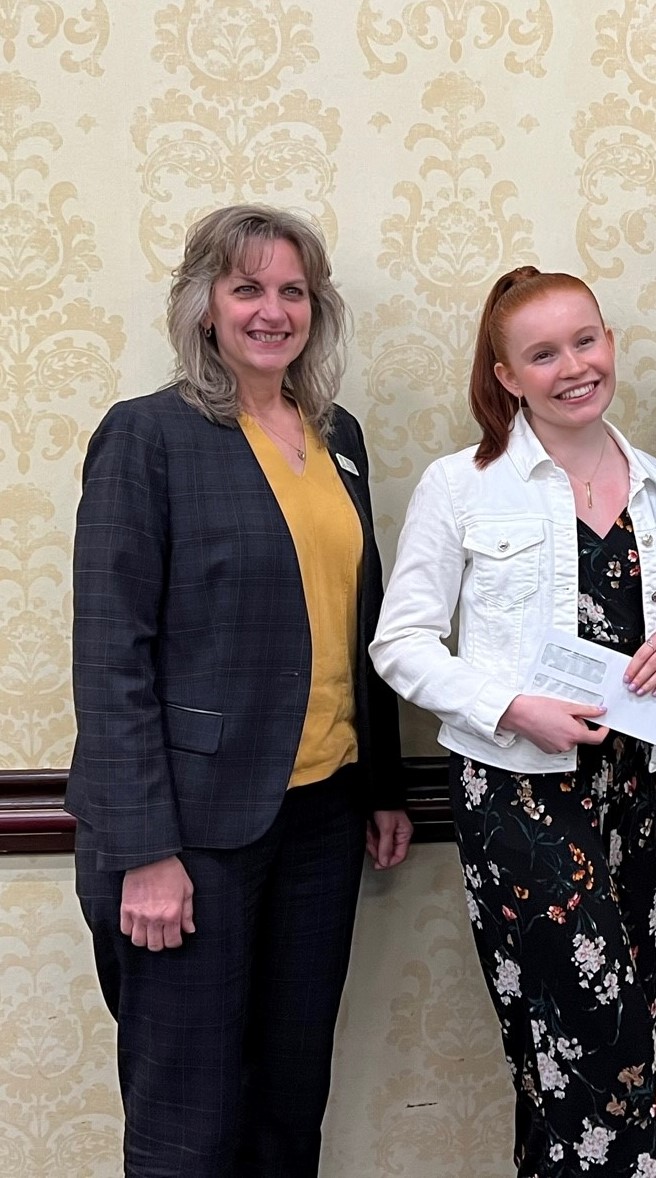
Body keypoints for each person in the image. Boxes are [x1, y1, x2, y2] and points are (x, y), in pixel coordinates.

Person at [67, 203, 412, 1176]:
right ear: (204, 307)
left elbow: (361, 612)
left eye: (292, 290)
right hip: (191, 836)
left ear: (318, 306)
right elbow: (111, 653)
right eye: (246, 287)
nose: (272, 310)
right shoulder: (150, 437)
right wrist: (143, 852)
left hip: (322, 818)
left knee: (287, 1106)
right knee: (192, 1124)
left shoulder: (336, 433)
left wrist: (382, 782)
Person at [371, 266, 656, 1178]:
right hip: (515, 791)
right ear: (506, 374)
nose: (573, 366)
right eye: (543, 353)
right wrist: (511, 707)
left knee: (579, 1037)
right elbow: (399, 643)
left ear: (609, 343)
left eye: (586, 341)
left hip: (633, 788)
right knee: (597, 1036)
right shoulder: (463, 486)